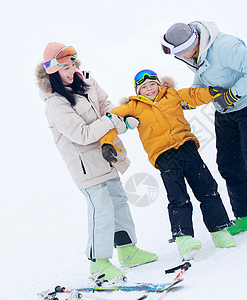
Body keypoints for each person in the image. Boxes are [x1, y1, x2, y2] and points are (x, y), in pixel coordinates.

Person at [35, 42, 157, 281]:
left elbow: (105, 106)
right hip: (86, 166)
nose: (71, 70)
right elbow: (81, 134)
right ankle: (98, 262)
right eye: (64, 68)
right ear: (52, 71)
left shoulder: (87, 82)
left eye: (72, 64)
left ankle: (128, 250)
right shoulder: (55, 103)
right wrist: (113, 121)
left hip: (106, 156)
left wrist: (121, 119)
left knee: (119, 202)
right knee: (100, 209)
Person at [160, 21, 247, 238]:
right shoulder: (194, 55)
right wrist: (187, 101)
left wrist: (234, 94)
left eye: (182, 52)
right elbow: (202, 80)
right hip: (224, 110)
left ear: (192, 43)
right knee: (228, 163)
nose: (181, 57)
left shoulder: (225, 48)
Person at [100, 69, 236, 260]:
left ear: (159, 84)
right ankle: (184, 238)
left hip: (187, 147)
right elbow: (111, 121)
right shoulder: (133, 106)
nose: (149, 89)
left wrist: (211, 92)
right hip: (164, 156)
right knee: (178, 197)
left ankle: (220, 231)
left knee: (207, 189)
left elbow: (193, 95)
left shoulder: (171, 94)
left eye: (152, 84)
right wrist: (106, 142)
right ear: (138, 91)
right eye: (144, 87)